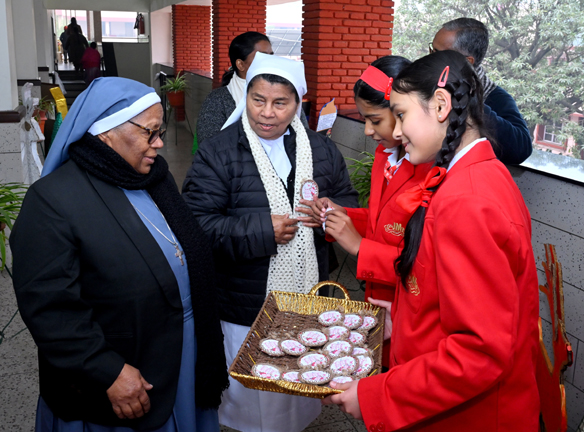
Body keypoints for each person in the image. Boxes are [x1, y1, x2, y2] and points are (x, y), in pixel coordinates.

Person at [323, 50, 539, 431]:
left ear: (440, 105)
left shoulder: (468, 201)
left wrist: (377, 396)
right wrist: (402, 319)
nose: (397, 132)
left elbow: (478, 352)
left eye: (402, 115)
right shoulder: (471, 176)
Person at [10, 77, 228, 432]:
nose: (159, 144)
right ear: (106, 133)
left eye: (160, 132)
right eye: (150, 133)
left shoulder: (155, 178)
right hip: (122, 369)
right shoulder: (52, 201)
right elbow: (49, 307)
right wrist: (107, 371)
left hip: (183, 347)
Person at [183, 52, 359, 432]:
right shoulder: (219, 152)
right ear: (245, 95)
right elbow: (196, 225)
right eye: (257, 99)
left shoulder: (321, 150)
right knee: (251, 398)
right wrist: (263, 230)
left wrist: (331, 213)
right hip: (244, 304)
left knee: (296, 391)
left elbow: (349, 201)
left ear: (298, 104)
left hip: (305, 299)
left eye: (280, 103)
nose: (266, 113)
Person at [305, 55, 432, 368]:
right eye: (364, 119)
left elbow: (424, 267)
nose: (367, 130)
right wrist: (343, 216)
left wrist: (360, 247)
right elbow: (383, 223)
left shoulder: (431, 170)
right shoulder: (386, 156)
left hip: (412, 310)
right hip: (381, 298)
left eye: (375, 120)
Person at [431, 17, 532, 165]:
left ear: (467, 62)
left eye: (438, 54)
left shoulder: (495, 98)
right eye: (431, 50)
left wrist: (468, 101)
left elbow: (521, 150)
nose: (430, 59)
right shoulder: (426, 81)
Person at [196, 31, 308, 145]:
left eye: (270, 56)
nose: (267, 113)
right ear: (240, 64)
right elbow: (207, 145)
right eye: (262, 57)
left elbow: (303, 134)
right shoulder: (217, 100)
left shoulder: (285, 93)